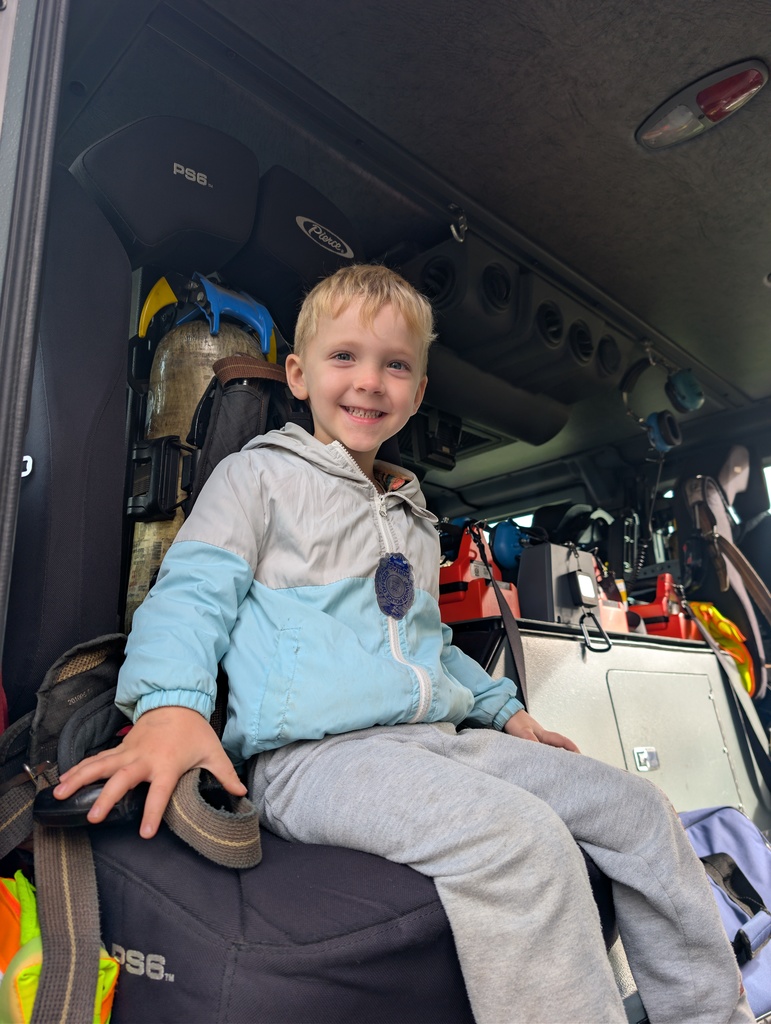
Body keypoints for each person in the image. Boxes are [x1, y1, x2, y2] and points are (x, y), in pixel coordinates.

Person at [55, 264, 752, 1024]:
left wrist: (501, 709)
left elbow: (429, 643)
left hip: (435, 740)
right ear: (298, 373)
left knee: (638, 810)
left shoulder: (411, 514)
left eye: (395, 365)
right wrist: (169, 708)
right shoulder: (256, 478)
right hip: (315, 758)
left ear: (417, 392)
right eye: (344, 357)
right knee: (523, 843)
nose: (369, 382)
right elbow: (187, 597)